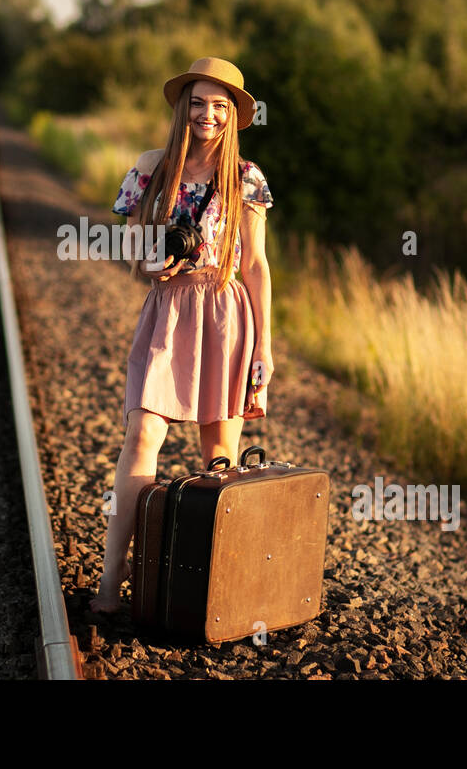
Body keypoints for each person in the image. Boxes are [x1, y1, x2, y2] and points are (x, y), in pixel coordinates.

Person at [90, 56, 274, 614]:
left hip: (226, 312)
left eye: (220, 106)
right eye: (197, 102)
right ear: (182, 107)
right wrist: (148, 264)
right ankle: (111, 576)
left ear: (235, 115)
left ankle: (210, 593)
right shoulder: (151, 167)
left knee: (220, 454)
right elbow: (128, 244)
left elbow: (257, 265)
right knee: (142, 435)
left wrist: (265, 346)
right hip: (168, 309)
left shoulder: (247, 178)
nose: (207, 114)